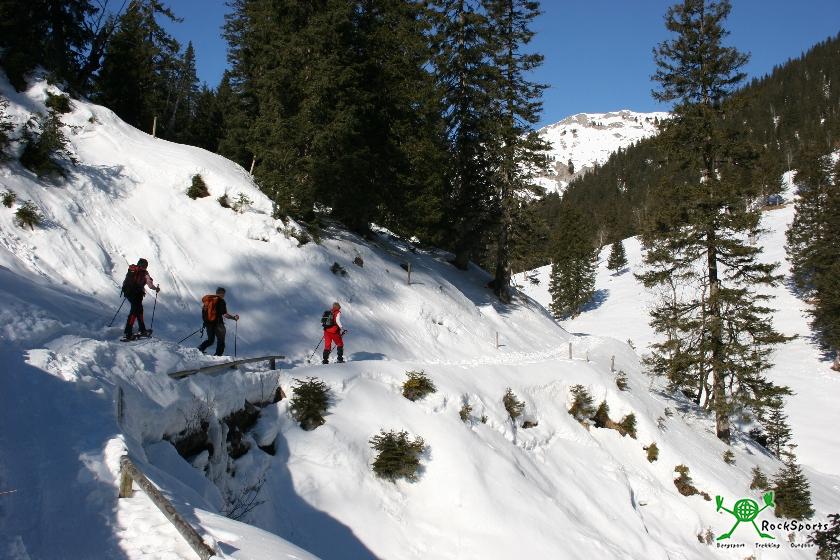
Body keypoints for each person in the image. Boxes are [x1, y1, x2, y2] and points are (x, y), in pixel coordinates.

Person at [122, 258, 159, 339]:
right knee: (134, 312)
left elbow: (127, 280)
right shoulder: (145, 273)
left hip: (128, 293)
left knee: (139, 310)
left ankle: (142, 329)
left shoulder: (132, 269)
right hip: (137, 295)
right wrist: (156, 288)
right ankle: (128, 333)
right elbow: (150, 285)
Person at [198, 287, 239, 356]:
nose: (224, 295)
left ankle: (200, 349)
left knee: (210, 340)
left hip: (208, 324)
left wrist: (206, 322)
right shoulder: (221, 301)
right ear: (221, 293)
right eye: (223, 293)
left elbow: (204, 313)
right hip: (218, 324)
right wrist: (234, 318)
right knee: (221, 340)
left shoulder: (208, 300)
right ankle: (218, 355)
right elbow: (225, 314)